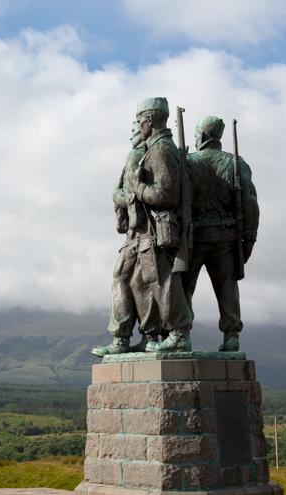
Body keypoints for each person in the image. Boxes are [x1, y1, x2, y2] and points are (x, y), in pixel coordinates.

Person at [93, 98, 191, 356]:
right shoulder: (152, 149)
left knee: (162, 281)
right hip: (142, 231)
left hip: (156, 231)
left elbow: (167, 195)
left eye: (139, 120)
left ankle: (179, 334)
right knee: (136, 282)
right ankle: (145, 337)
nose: (137, 125)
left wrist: (136, 188)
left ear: (149, 119)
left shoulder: (161, 150)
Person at [184, 116, 260, 351]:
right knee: (227, 287)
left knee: (184, 286)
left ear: (203, 136)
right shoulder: (235, 163)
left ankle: (180, 334)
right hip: (225, 237)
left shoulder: (187, 163)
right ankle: (231, 336)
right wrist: (250, 237)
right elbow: (250, 204)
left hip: (194, 237)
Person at [92, 120, 163, 356]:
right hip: (135, 234)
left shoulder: (146, 155)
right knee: (123, 278)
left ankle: (146, 336)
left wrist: (116, 194)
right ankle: (124, 338)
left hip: (149, 232)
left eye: (134, 131)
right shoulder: (138, 156)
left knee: (140, 282)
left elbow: (132, 194)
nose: (132, 136)